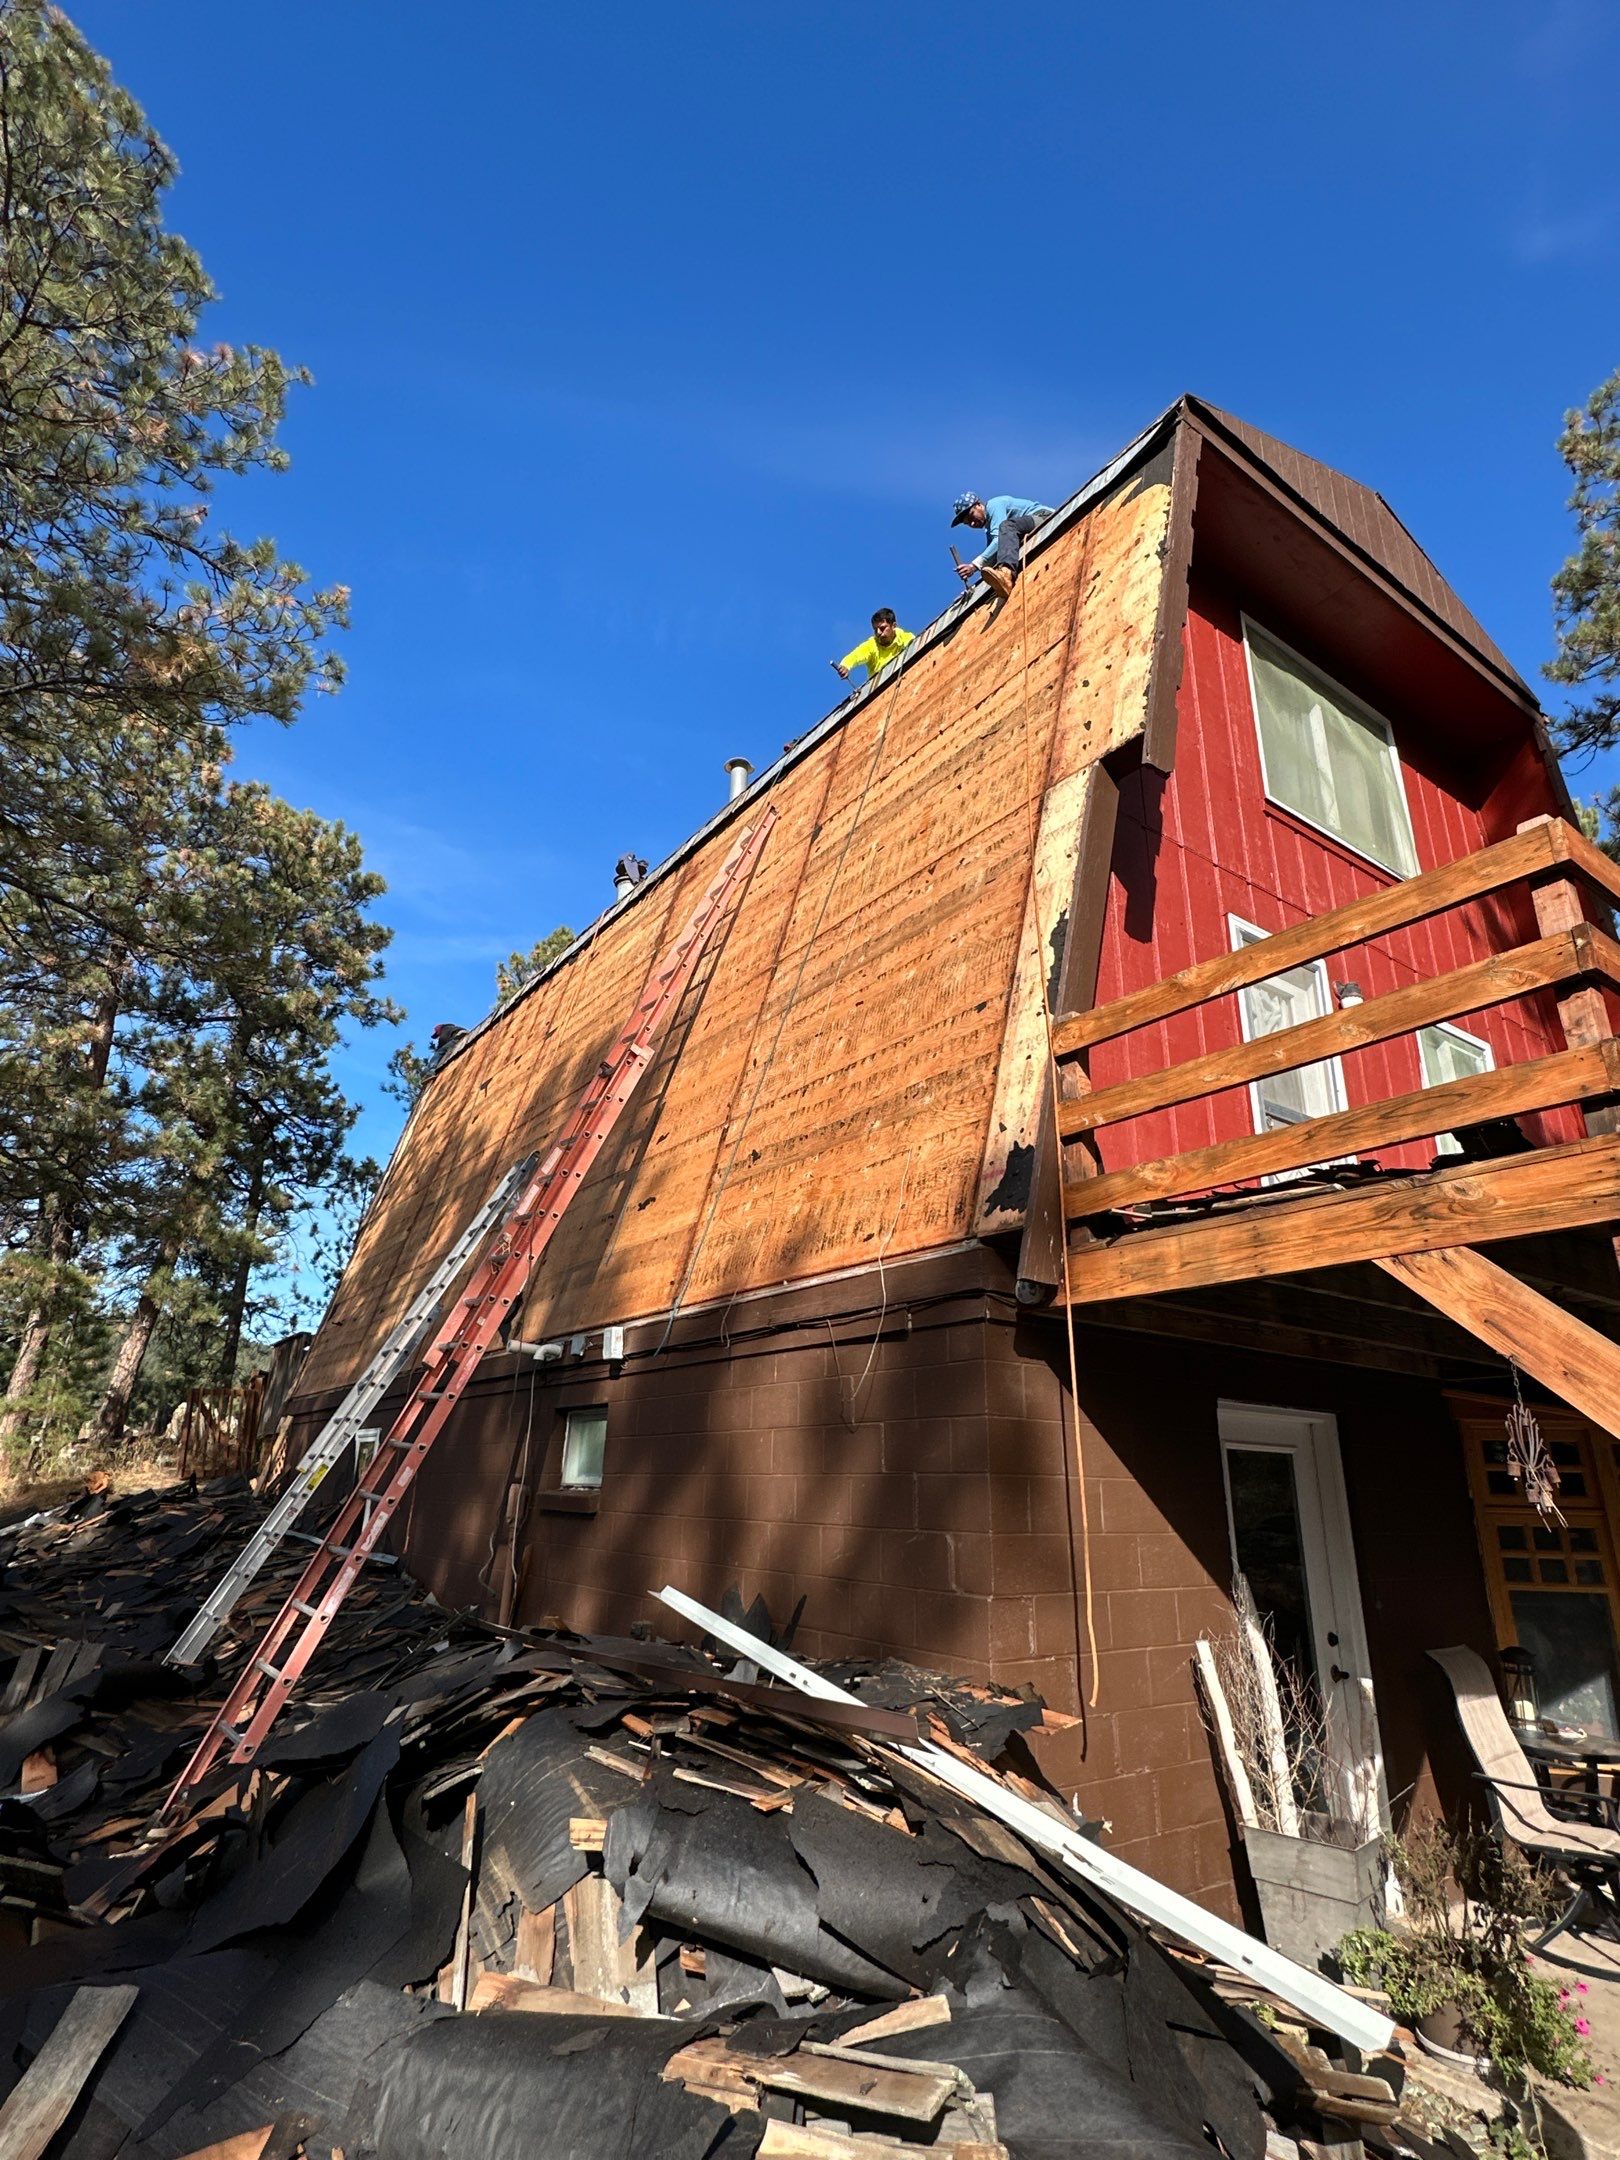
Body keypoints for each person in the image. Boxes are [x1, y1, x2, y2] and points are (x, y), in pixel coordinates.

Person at [951, 491, 1055, 599]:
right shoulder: (990, 530)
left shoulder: (994, 505)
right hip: (1025, 526)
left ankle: (1006, 575)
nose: (972, 523)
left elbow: (998, 541)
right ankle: (1004, 575)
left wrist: (973, 566)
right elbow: (991, 559)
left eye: (972, 516)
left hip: (1043, 517)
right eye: (968, 523)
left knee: (1007, 526)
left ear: (979, 505)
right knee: (998, 555)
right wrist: (972, 592)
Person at [831, 607, 915, 683]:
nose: (878, 633)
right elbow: (856, 655)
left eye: (882, 628)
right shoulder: (872, 645)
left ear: (894, 626)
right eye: (875, 630)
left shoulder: (905, 637)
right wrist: (845, 665)